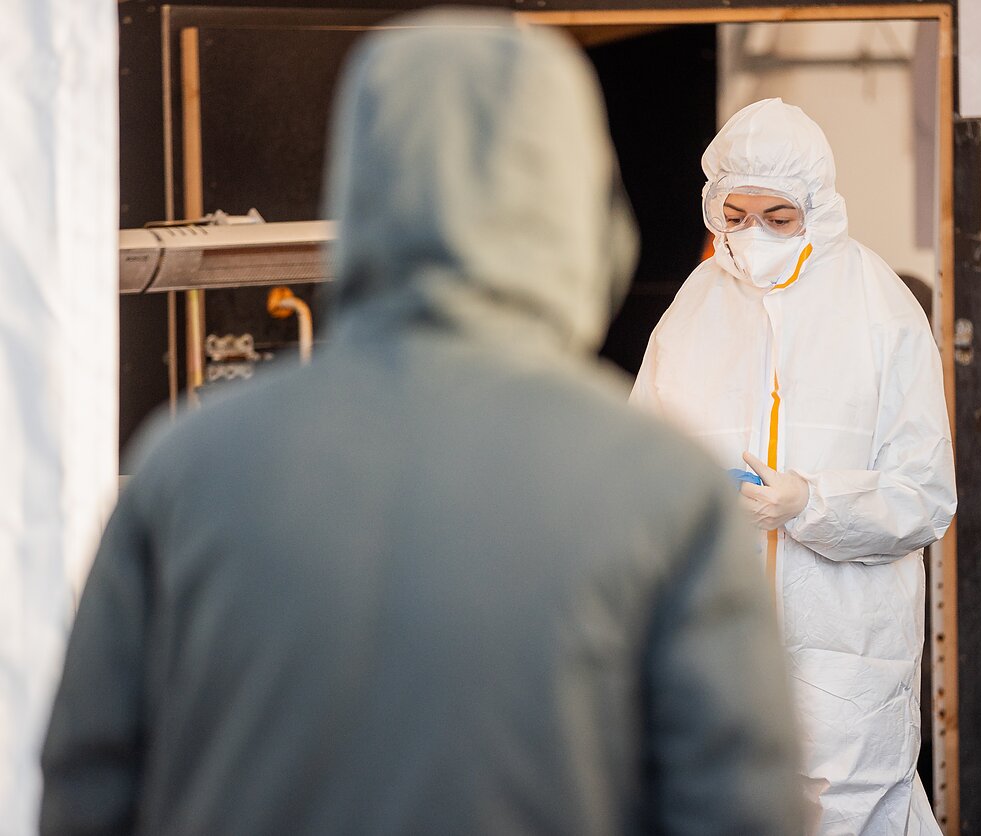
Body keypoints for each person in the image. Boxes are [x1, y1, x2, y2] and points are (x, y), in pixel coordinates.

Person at [40, 15, 804, 835]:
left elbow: (87, 794)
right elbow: (739, 811)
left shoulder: (187, 470)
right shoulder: (665, 494)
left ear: (359, 191)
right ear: (588, 214)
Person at [631, 98, 957, 835]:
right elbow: (638, 462)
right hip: (716, 644)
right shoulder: (693, 308)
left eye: (778, 217)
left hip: (845, 658)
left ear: (817, 205)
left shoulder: (879, 308)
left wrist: (811, 504)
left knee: (848, 815)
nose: (754, 235)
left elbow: (924, 496)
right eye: (736, 215)